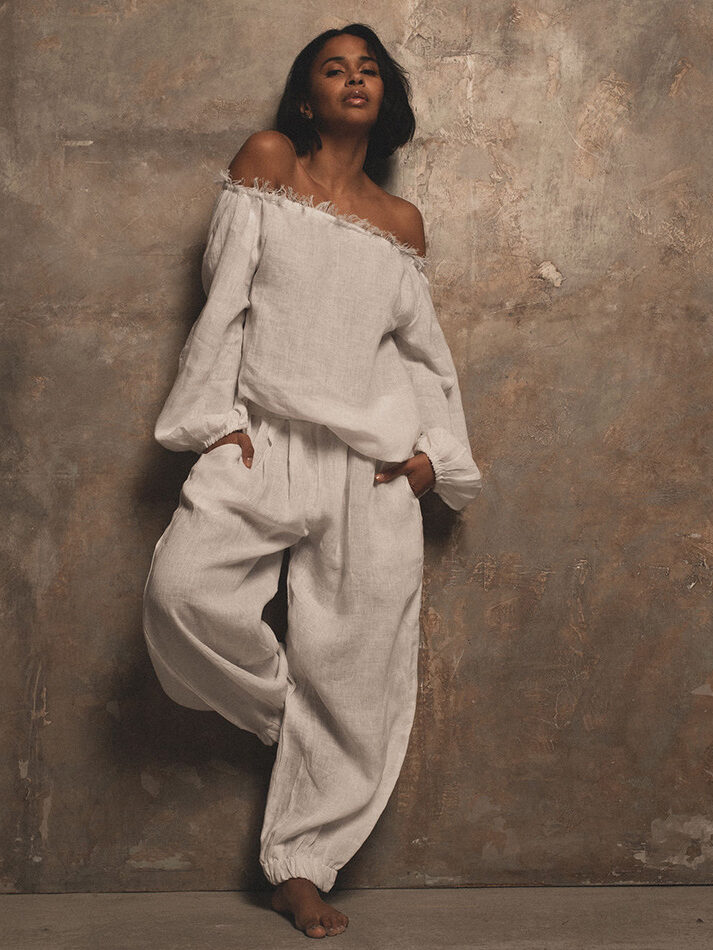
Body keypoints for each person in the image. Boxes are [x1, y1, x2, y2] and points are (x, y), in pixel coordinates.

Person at [142, 23, 482, 940]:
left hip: (369, 471)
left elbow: (423, 361)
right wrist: (215, 423)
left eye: (368, 68)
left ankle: (300, 869)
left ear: (387, 95)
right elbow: (225, 301)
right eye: (334, 68)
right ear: (305, 95)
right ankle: (290, 711)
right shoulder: (268, 163)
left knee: (359, 672)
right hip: (265, 439)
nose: (354, 79)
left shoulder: (400, 223)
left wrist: (431, 461)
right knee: (182, 591)